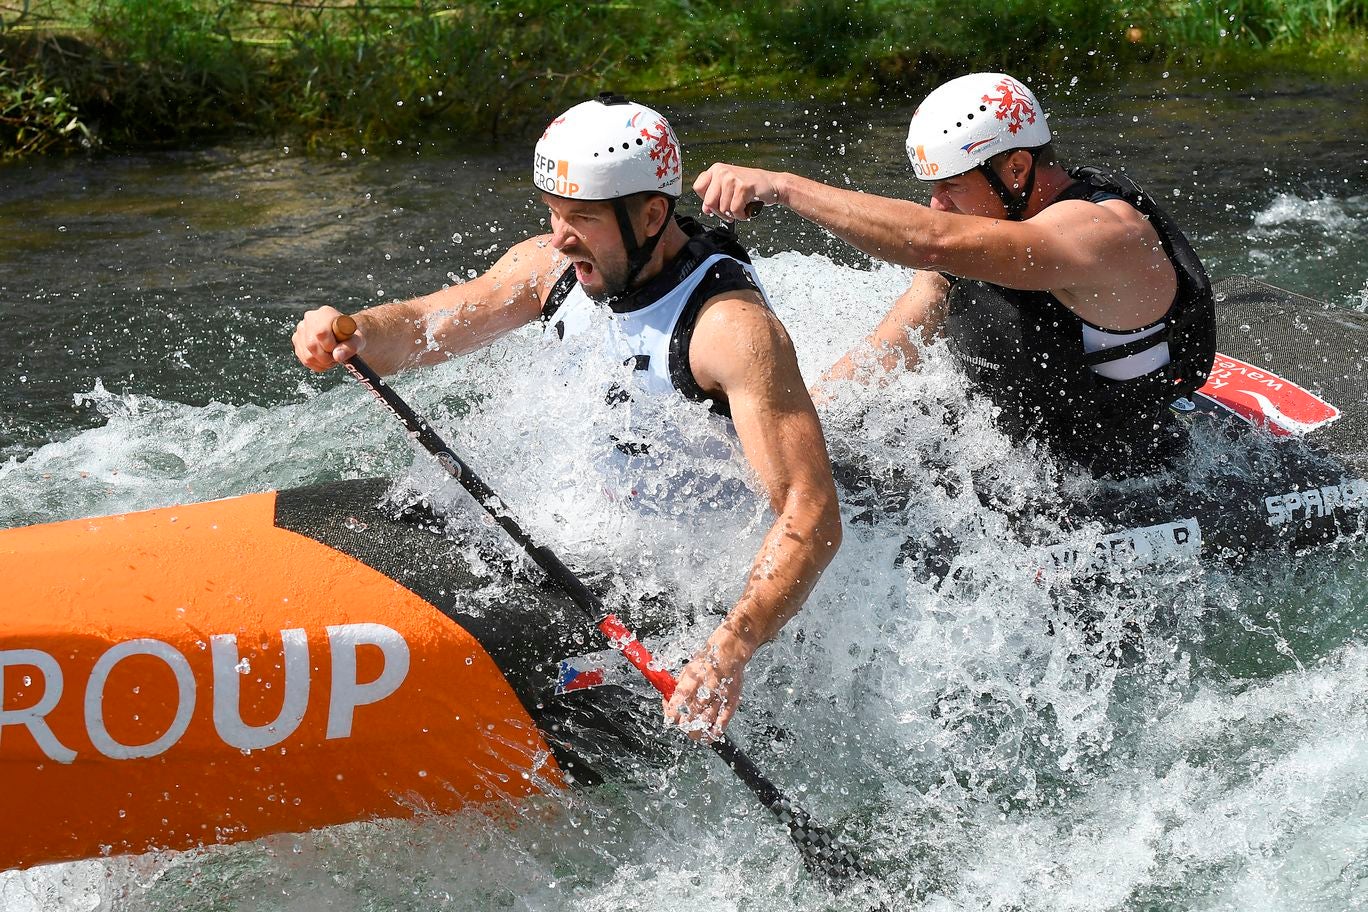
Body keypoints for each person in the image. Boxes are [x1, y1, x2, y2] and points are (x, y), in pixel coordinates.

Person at [293, 94, 842, 740]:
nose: (558, 237)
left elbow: (812, 512)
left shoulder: (729, 330)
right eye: (553, 214)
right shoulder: (551, 268)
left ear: (651, 214)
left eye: (580, 218)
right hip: (598, 543)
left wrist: (730, 646)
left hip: (692, 589)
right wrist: (350, 330)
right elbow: (421, 328)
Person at [694, 72, 1215, 478]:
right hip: (1027, 468)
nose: (937, 204)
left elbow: (929, 239)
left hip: (1130, 481)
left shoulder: (1104, 233)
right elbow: (900, 336)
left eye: (952, 187)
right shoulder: (993, 227)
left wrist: (784, 187)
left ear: (1015, 169)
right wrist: (801, 426)